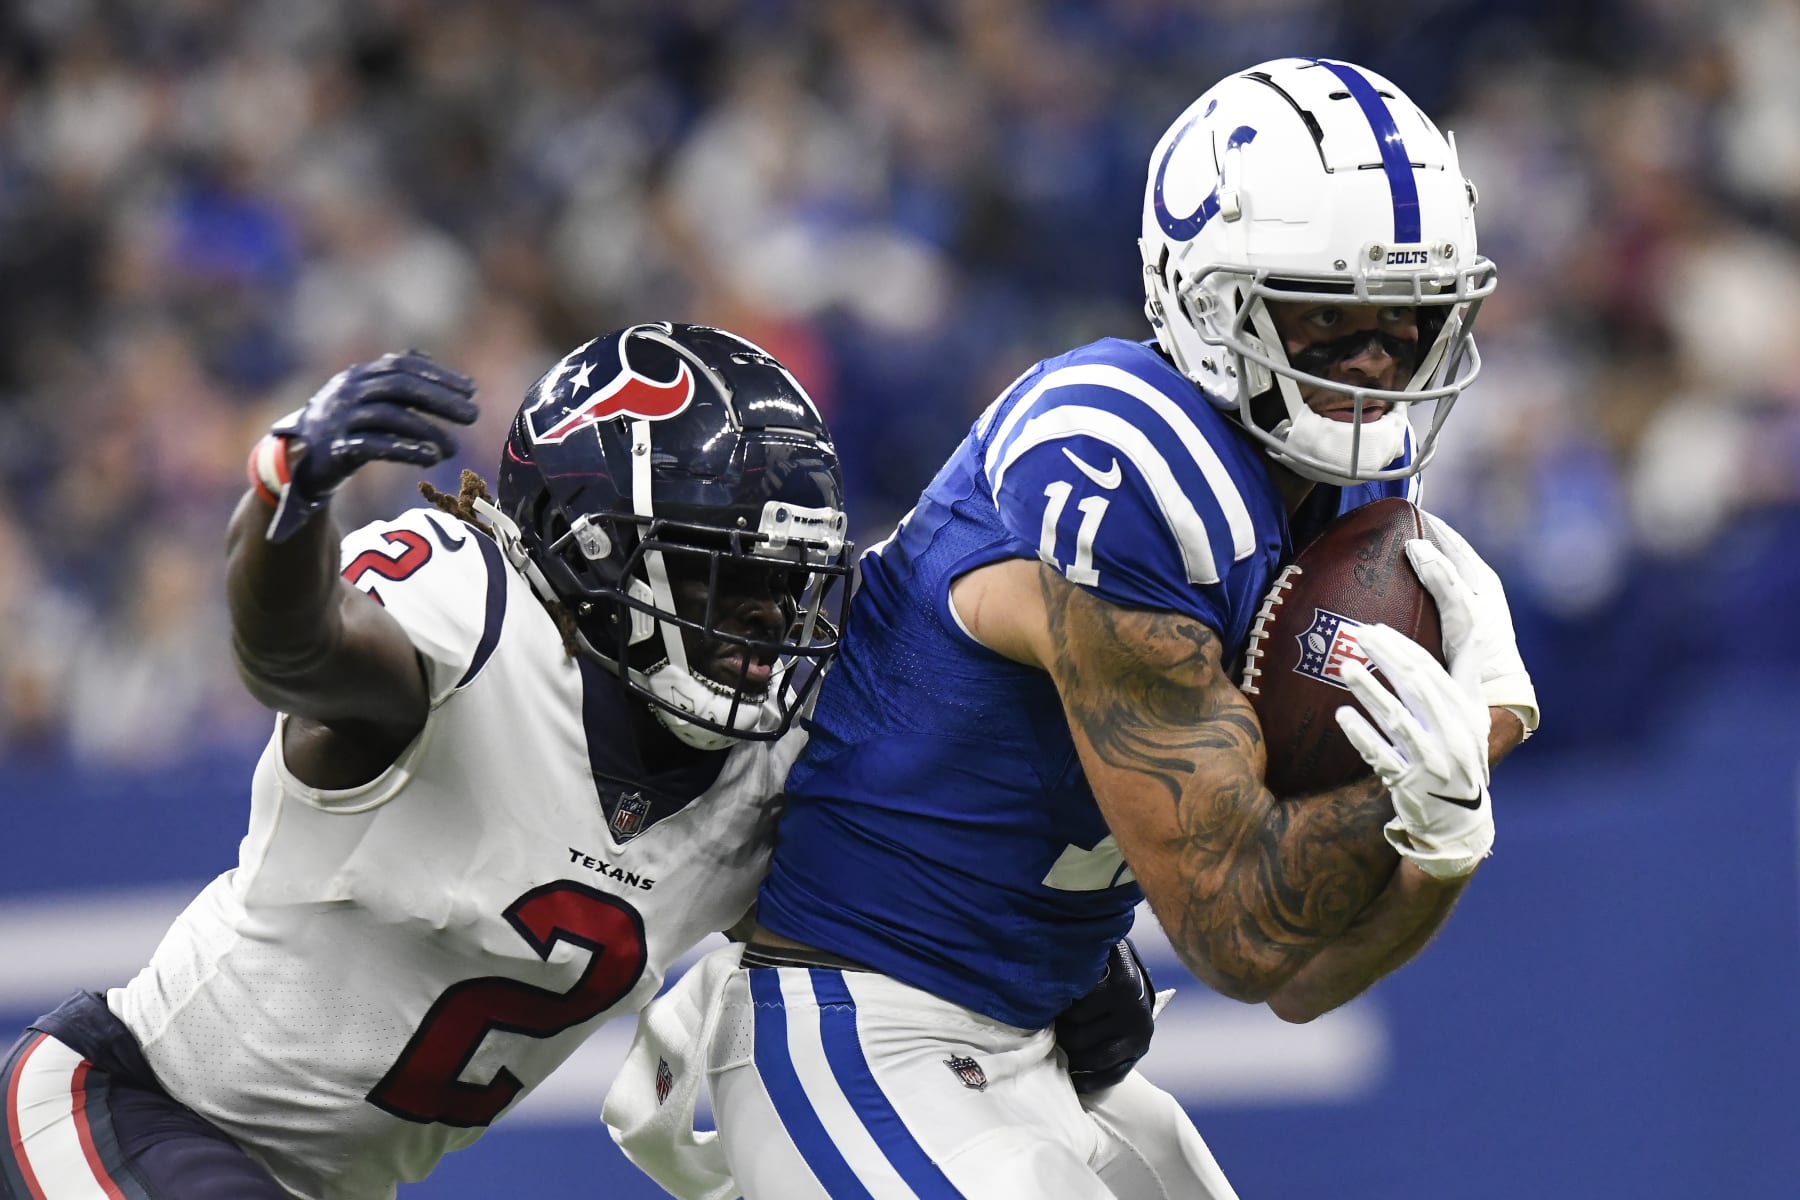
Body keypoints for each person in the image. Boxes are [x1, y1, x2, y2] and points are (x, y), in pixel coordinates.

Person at [627, 57, 1542, 1199]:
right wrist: (1473, 742)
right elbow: (1244, 936)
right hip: (863, 1023)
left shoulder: (1344, 498)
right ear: (1209, 300)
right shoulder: (1119, 462)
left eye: (1407, 321)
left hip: (1040, 1045)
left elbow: (1308, 981)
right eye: (1328, 316)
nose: (1374, 361)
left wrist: (1448, 838)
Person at [0, 322, 859, 1199]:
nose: (766, 621)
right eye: (727, 575)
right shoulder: (473, 633)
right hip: (133, 1107)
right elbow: (292, 651)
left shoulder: (771, 778)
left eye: (791, 583)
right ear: (590, 544)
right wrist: (285, 500)